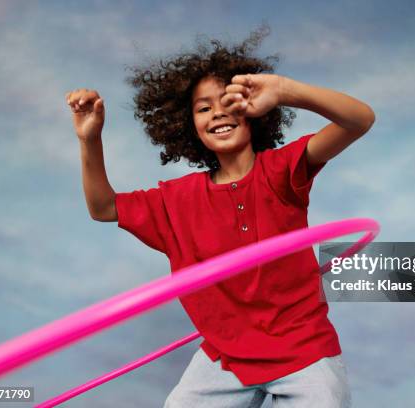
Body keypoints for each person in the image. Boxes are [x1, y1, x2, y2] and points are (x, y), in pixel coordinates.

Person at [65, 26, 374, 408]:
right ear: (188, 124)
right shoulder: (175, 201)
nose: (218, 114)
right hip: (226, 359)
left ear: (254, 110)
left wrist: (286, 91)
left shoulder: (281, 171)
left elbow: (359, 120)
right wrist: (89, 138)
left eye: (229, 101)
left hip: (304, 352)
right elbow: (103, 208)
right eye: (204, 107)